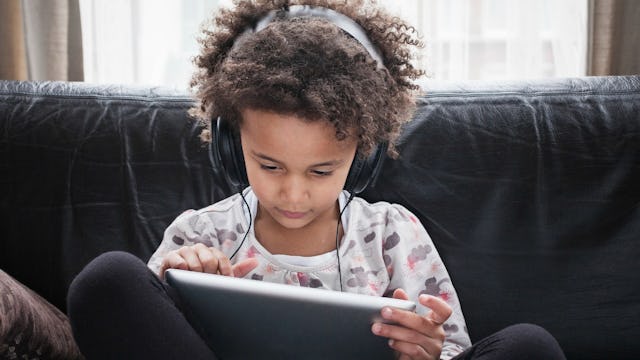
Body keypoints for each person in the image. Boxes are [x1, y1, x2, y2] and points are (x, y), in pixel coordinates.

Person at [67, 1, 566, 359]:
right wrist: (175, 285)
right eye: (270, 165)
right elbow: (141, 328)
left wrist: (427, 351)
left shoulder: (393, 234)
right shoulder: (200, 236)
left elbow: (452, 344)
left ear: (363, 155)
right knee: (107, 279)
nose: (293, 193)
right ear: (230, 142)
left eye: (322, 171)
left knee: (530, 345)